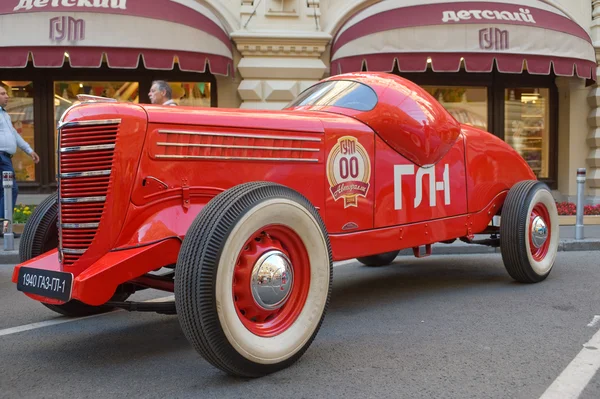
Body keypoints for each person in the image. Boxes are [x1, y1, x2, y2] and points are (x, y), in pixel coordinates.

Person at [0, 85, 40, 220]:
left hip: (5, 158)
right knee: (10, 189)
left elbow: (14, 135)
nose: (7, 96)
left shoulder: (4, 114)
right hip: (1, 158)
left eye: (6, 93)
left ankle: (3, 226)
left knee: (5, 190)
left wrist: (29, 150)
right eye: (2, 94)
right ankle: (3, 225)